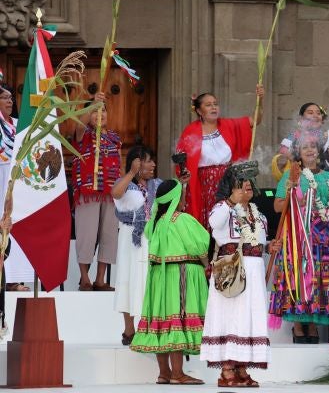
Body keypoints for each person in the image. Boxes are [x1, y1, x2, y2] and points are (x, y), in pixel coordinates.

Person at [200, 161, 276, 387]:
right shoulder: (222, 208)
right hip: (231, 271)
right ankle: (227, 370)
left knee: (248, 318)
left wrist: (269, 247)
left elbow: (257, 243)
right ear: (231, 188)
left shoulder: (258, 214)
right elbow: (214, 224)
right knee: (230, 316)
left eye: (249, 183)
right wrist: (232, 201)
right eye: (241, 183)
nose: (247, 187)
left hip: (253, 272)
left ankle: (242, 367)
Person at [130, 179, 209, 385]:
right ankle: (178, 374)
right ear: (175, 199)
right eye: (182, 195)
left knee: (162, 319)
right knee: (178, 319)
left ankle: (164, 373)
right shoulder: (183, 220)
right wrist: (207, 263)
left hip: (159, 278)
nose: (184, 198)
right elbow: (200, 245)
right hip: (179, 274)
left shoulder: (154, 223)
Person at [269, 134, 329, 344]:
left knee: (317, 280)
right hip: (297, 238)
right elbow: (277, 206)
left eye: (313, 146)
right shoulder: (292, 175)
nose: (310, 150)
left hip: (322, 238)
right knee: (298, 278)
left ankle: (312, 325)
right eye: (305, 148)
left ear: (319, 151)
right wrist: (298, 199)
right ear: (298, 154)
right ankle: (298, 326)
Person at [176, 85, 264, 228]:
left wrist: (260, 100)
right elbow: (182, 163)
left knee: (230, 220)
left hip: (228, 181)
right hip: (204, 184)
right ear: (199, 110)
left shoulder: (228, 125)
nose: (213, 107)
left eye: (215, 104)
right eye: (208, 105)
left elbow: (255, 120)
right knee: (208, 222)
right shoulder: (190, 131)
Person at [111, 145, 163, 345]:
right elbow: (115, 193)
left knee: (145, 281)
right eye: (148, 160)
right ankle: (129, 330)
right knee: (127, 279)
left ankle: (147, 327)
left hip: (150, 238)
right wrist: (131, 172)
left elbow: (177, 204)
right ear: (137, 162)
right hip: (130, 238)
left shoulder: (157, 184)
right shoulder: (125, 184)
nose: (153, 164)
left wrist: (182, 184)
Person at [72, 92, 120, 291]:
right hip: (88, 193)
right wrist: (93, 103)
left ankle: (100, 279)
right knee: (87, 235)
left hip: (110, 194)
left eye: (103, 111)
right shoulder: (82, 135)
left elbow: (119, 165)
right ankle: (85, 278)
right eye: (95, 112)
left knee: (108, 235)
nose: (99, 114)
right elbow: (80, 123)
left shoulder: (115, 138)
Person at [0, 83, 32, 292]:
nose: (10, 101)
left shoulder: (20, 126)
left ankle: (13, 278)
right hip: (1, 179)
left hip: (17, 182)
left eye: (12, 98)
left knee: (15, 227)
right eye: (5, 98)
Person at [272, 102, 329, 181]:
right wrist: (294, 160)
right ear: (301, 119)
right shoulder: (294, 136)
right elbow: (283, 153)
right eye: (310, 113)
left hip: (324, 180)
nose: (315, 116)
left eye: (318, 113)